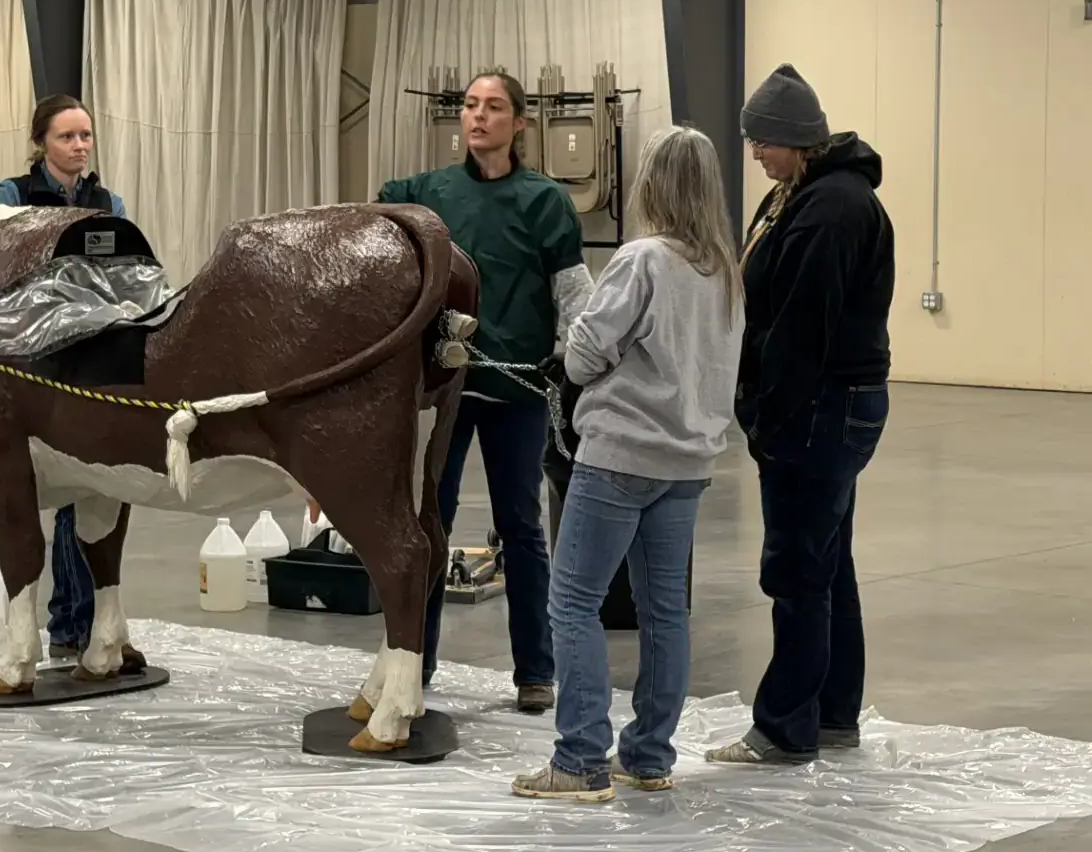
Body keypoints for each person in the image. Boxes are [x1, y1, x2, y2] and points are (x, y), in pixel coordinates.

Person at [512, 126, 743, 801]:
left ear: (653, 184)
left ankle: (580, 759)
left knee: (573, 603)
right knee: (664, 610)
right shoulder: (724, 270)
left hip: (619, 456)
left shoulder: (641, 259)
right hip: (688, 462)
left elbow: (585, 354)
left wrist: (574, 359)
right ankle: (647, 755)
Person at [378, 71, 592, 713]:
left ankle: (535, 670)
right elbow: (382, 211)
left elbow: (574, 293)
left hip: (516, 391)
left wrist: (576, 361)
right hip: (443, 391)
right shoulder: (427, 193)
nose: (478, 117)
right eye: (470, 106)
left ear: (519, 124)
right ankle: (418, 659)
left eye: (493, 107)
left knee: (520, 527)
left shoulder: (546, 200)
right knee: (427, 523)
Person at [706, 64, 895, 767]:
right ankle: (833, 714)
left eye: (763, 141)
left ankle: (786, 727)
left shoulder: (831, 208)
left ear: (798, 141)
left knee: (796, 571)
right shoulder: (796, 196)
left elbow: (800, 329)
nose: (754, 153)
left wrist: (768, 418)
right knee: (826, 563)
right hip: (828, 405)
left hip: (820, 408)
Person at [0, 93, 127, 658]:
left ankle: (77, 622)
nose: (79, 146)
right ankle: (66, 621)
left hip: (89, 357)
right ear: (41, 142)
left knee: (92, 487)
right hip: (28, 360)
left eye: (85, 136)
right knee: (48, 491)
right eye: (67, 137)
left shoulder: (106, 200)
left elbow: (124, 269)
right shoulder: (11, 196)